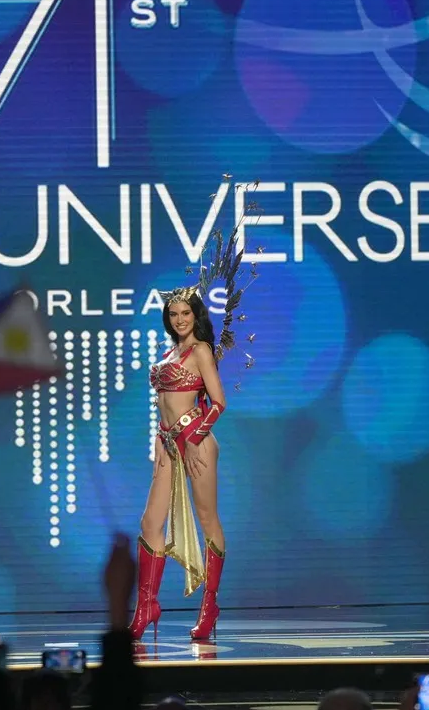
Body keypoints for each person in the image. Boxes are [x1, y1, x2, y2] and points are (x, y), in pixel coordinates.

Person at [128, 225, 251, 643]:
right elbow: (163, 404)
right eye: (173, 315)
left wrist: (194, 436)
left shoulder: (199, 351)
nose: (179, 320)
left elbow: (218, 403)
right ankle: (147, 605)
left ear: (195, 316)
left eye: (185, 314)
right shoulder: (169, 353)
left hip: (196, 443)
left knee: (206, 518)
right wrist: (161, 440)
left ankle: (209, 606)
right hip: (166, 445)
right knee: (149, 521)